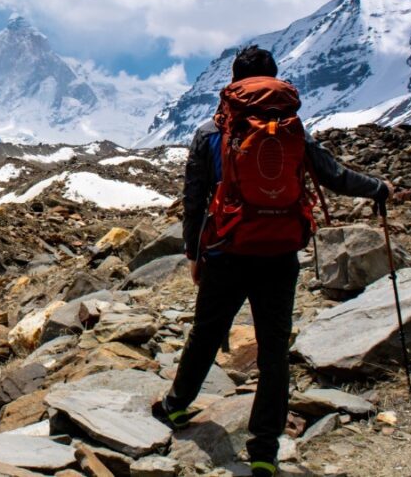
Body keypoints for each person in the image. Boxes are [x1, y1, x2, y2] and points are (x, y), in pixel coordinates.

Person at [152, 45, 393, 477]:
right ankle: (264, 449)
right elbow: (334, 177)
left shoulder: (213, 131)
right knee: (274, 352)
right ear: (276, 79)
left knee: (206, 333)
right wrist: (378, 188)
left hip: (227, 251)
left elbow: (194, 198)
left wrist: (193, 252)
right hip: (280, 253)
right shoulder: (292, 129)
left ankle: (175, 406)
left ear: (232, 83)